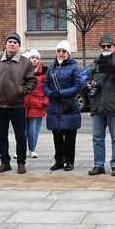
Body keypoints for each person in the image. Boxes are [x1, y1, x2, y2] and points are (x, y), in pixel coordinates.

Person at [0, 32, 36, 175]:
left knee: (20, 135)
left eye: (15, 42)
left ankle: (21, 162)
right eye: (10, 42)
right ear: (6, 44)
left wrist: (21, 91)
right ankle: (5, 162)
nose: (12, 44)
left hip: (17, 105)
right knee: (1, 135)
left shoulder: (25, 63)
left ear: (19, 45)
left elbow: (32, 81)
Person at [85, 33, 115, 177]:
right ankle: (98, 165)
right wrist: (90, 85)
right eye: (103, 46)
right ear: (100, 47)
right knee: (97, 138)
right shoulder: (95, 62)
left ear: (113, 46)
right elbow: (89, 79)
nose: (106, 48)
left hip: (114, 106)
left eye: (108, 45)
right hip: (98, 105)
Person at [43, 40, 82, 171]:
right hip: (54, 106)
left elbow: (78, 86)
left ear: (68, 53)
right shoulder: (51, 67)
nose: (61, 53)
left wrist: (61, 93)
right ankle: (59, 160)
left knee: (70, 135)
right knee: (57, 135)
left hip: (68, 105)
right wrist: (50, 94)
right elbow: (45, 85)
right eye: (59, 51)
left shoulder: (74, 67)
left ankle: (69, 161)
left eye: (64, 51)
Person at [23, 49, 47, 159]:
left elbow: (47, 88)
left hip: (37, 104)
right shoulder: (23, 71)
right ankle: (21, 149)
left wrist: (44, 102)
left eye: (37, 58)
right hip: (23, 104)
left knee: (33, 130)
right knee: (22, 129)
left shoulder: (44, 73)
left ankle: (32, 149)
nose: (35, 60)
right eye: (33, 58)